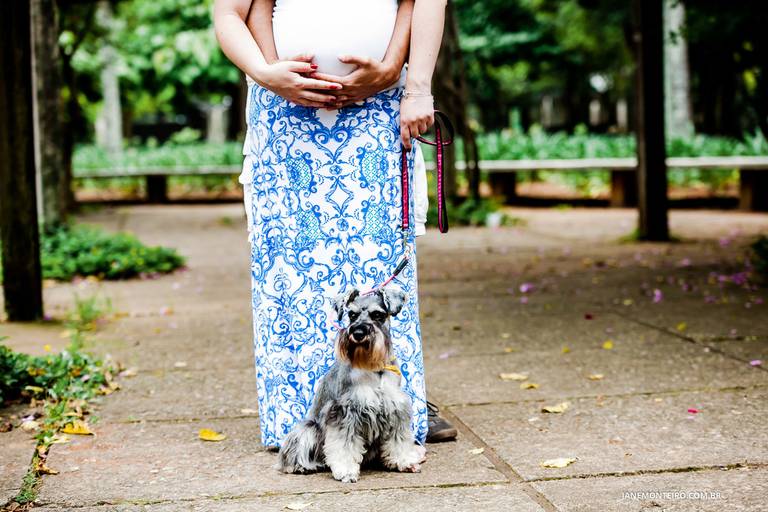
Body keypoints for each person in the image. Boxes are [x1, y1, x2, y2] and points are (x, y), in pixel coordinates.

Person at [213, 0, 456, 449]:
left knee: (379, 270)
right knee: (291, 269)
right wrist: (268, 73)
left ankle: (393, 412)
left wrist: (399, 74)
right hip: (285, 115)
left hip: (378, 108)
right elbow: (234, 11)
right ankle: (302, 419)